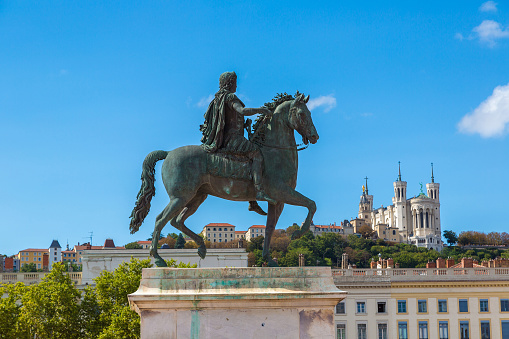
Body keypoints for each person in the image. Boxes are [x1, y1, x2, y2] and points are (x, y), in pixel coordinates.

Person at [200, 71, 276, 210]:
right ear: (230, 83)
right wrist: (261, 110)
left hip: (225, 137)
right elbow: (242, 110)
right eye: (235, 82)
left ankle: (252, 201)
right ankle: (259, 192)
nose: (236, 85)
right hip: (232, 139)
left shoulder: (217, 98)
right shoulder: (229, 97)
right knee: (257, 154)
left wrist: (244, 126)